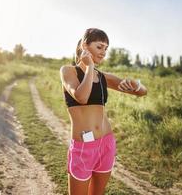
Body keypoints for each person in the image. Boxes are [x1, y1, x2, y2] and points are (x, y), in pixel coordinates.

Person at [59, 28, 147, 195]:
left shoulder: (103, 77)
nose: (103, 53)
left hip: (106, 144)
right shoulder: (68, 71)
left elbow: (142, 92)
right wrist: (89, 66)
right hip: (83, 147)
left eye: (106, 49)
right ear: (85, 46)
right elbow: (82, 97)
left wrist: (136, 84)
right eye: (99, 47)